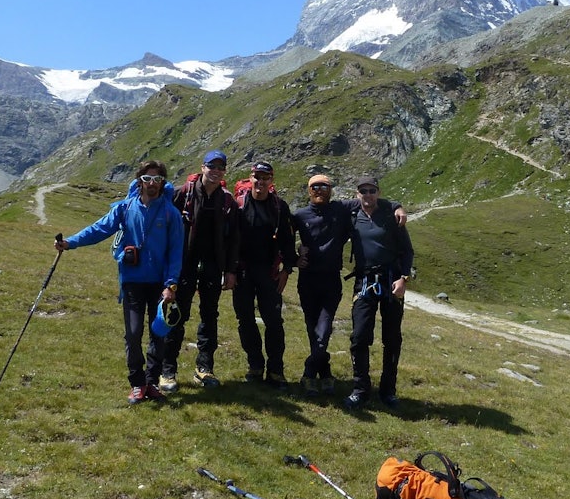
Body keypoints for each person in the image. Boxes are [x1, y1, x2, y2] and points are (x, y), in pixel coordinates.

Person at [55, 160, 183, 404]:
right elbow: (99, 229)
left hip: (160, 286)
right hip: (133, 282)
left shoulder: (171, 214)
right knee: (133, 334)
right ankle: (137, 383)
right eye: (147, 179)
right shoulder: (125, 208)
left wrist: (171, 284)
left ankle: (151, 382)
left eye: (157, 179)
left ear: (163, 182)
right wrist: (70, 242)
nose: (152, 184)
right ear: (139, 182)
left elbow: (176, 252)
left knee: (158, 335)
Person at [292, 174, 405, 398]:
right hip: (307, 281)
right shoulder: (299, 215)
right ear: (308, 190)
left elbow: (372, 200)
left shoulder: (341, 208)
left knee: (322, 332)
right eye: (315, 187)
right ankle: (324, 374)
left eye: (324, 186)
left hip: (331, 281)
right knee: (312, 329)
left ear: (331, 189)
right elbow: (284, 237)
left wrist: (398, 207)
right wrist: (295, 256)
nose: (320, 190)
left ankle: (308, 372)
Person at [150, 149, 240, 391]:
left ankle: (204, 369)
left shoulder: (227, 201)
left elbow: (233, 239)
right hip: (183, 264)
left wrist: (230, 270)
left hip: (213, 265)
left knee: (210, 317)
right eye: (212, 166)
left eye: (220, 167)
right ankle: (167, 371)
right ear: (203, 167)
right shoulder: (183, 193)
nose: (216, 171)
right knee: (177, 315)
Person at [344, 174, 414, 411]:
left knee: (392, 338)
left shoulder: (391, 216)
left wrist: (403, 278)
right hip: (364, 281)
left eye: (372, 191)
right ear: (357, 194)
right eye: (363, 191)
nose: (368, 195)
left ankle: (388, 391)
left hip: (391, 281)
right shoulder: (352, 215)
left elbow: (407, 250)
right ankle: (361, 389)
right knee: (359, 336)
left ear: (378, 192)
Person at [232, 161, 299, 389]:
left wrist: (287, 270)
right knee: (245, 320)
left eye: (265, 178)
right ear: (250, 178)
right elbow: (227, 238)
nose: (260, 182)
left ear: (271, 181)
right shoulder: (238, 204)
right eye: (257, 177)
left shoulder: (280, 207)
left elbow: (288, 242)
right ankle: (255, 365)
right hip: (242, 272)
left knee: (274, 321)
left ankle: (275, 370)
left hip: (269, 273)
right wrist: (229, 270)